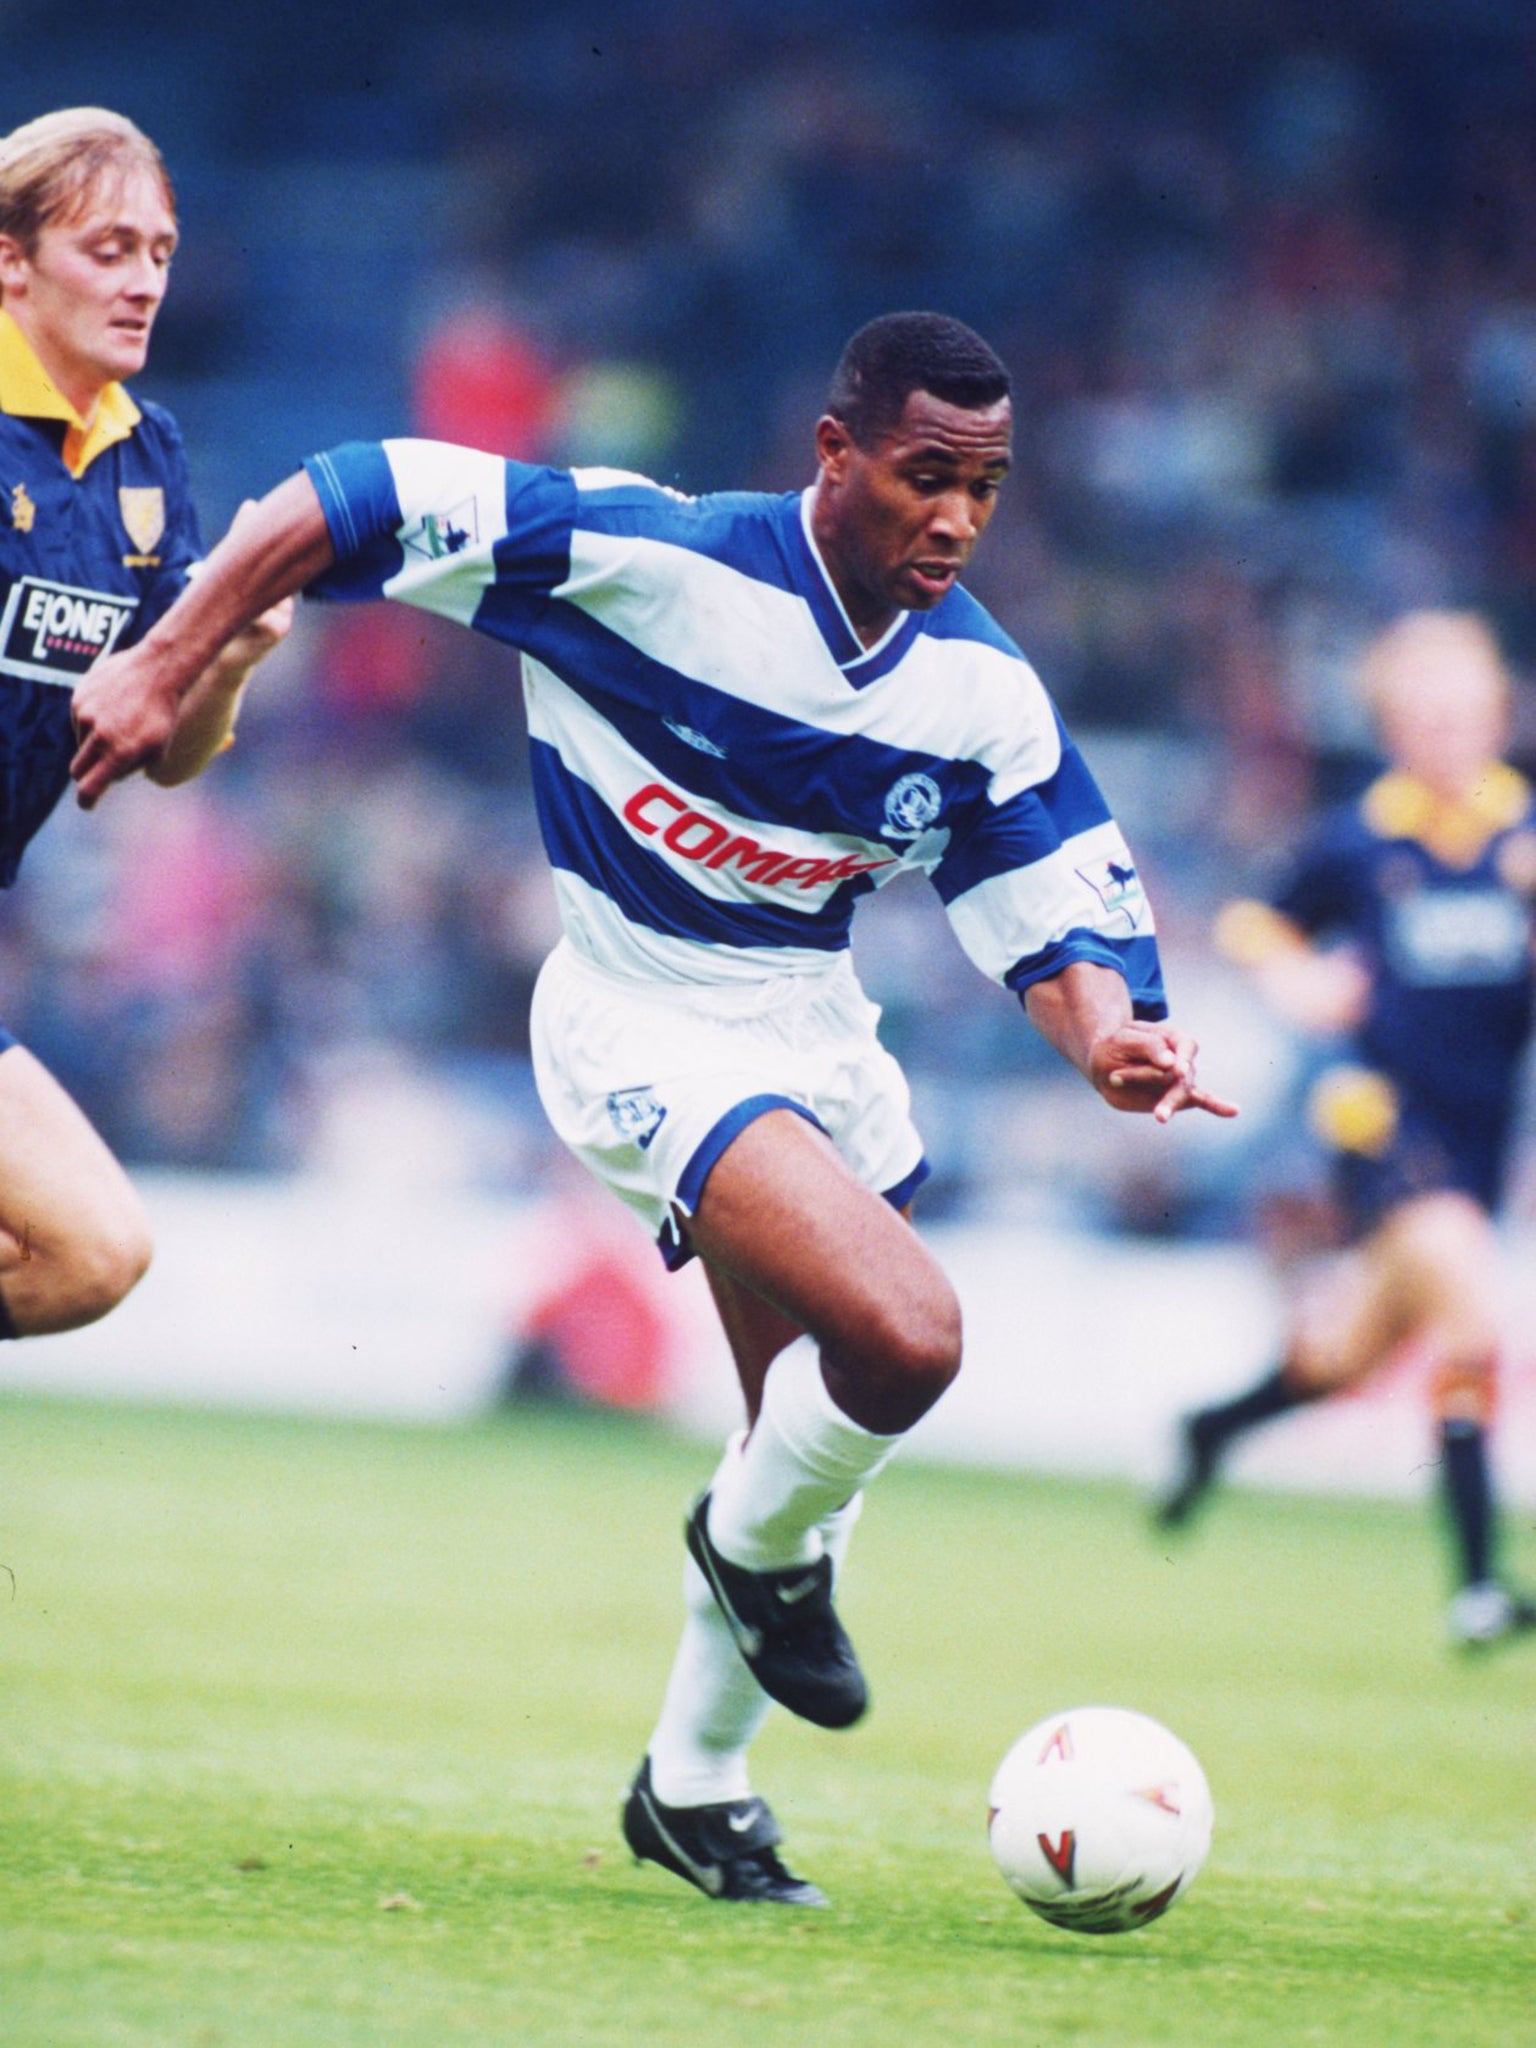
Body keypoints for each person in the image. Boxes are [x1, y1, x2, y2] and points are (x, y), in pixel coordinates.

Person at [70, 311, 1237, 1904]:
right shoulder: (651, 561)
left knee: (790, 1449)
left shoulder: (975, 692)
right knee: (907, 1342)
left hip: (811, 1039)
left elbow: (1059, 919)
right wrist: (165, 657)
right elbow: (343, 491)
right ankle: (751, 1558)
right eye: (926, 476)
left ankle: (693, 1789)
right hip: (638, 1019)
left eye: (988, 485)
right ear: (837, 456)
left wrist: (1110, 1043)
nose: (958, 517)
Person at [1157, 610, 1536, 1652]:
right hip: (1380, 1121)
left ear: (1498, 716)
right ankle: (1479, 1584)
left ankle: (1212, 1427)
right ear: (1392, 725)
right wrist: (1298, 976)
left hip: (1479, 1133)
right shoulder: (1363, 842)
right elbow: (1254, 917)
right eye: (1423, 716)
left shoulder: (1522, 841)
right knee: (1472, 1306)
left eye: (1465, 713)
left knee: (1347, 1358)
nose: (1447, 732)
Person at [0, 106, 291, 1337]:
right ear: (10, 260)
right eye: (107, 249)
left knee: (93, 1252)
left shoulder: (145, 459)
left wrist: (221, 661)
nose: (143, 283)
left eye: (160, 253)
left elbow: (161, 759)